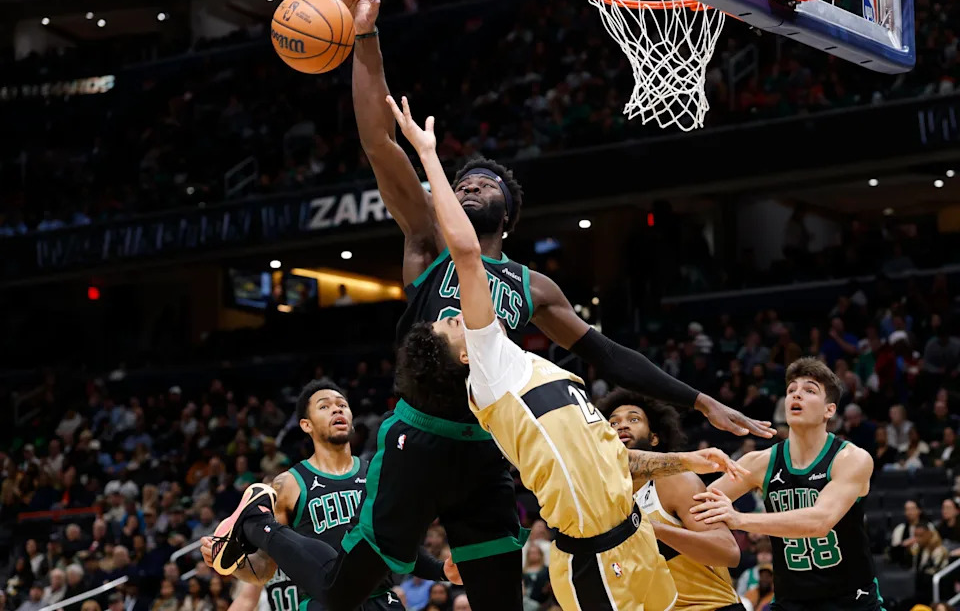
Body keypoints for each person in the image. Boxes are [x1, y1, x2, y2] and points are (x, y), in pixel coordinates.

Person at [383, 96, 749, 610]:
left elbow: (608, 390)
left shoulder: (540, 353)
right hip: (437, 427)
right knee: (382, 551)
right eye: (463, 184)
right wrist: (371, 52)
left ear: (509, 212)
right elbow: (453, 237)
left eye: (485, 184)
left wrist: (697, 409)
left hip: (603, 521)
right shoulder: (463, 302)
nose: (471, 188)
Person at [202, 379, 454, 611]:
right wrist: (234, 563)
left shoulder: (377, 475)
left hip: (381, 599)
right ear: (306, 424)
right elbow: (266, 569)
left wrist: (441, 570)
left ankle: (254, 523)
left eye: (342, 405)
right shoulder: (289, 484)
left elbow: (399, 547)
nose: (337, 410)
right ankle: (251, 525)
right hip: (324, 603)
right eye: (325, 407)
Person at [691, 358, 881, 610]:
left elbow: (819, 522)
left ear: (830, 410)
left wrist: (739, 519)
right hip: (790, 601)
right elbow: (693, 507)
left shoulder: (851, 458)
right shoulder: (760, 462)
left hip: (851, 600)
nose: (796, 395)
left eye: (809, 390)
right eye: (791, 390)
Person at [599, 389, 744, 611]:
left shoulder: (674, 481)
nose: (621, 426)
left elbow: (728, 552)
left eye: (633, 419)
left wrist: (649, 527)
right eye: (613, 423)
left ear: (654, 438)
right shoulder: (603, 501)